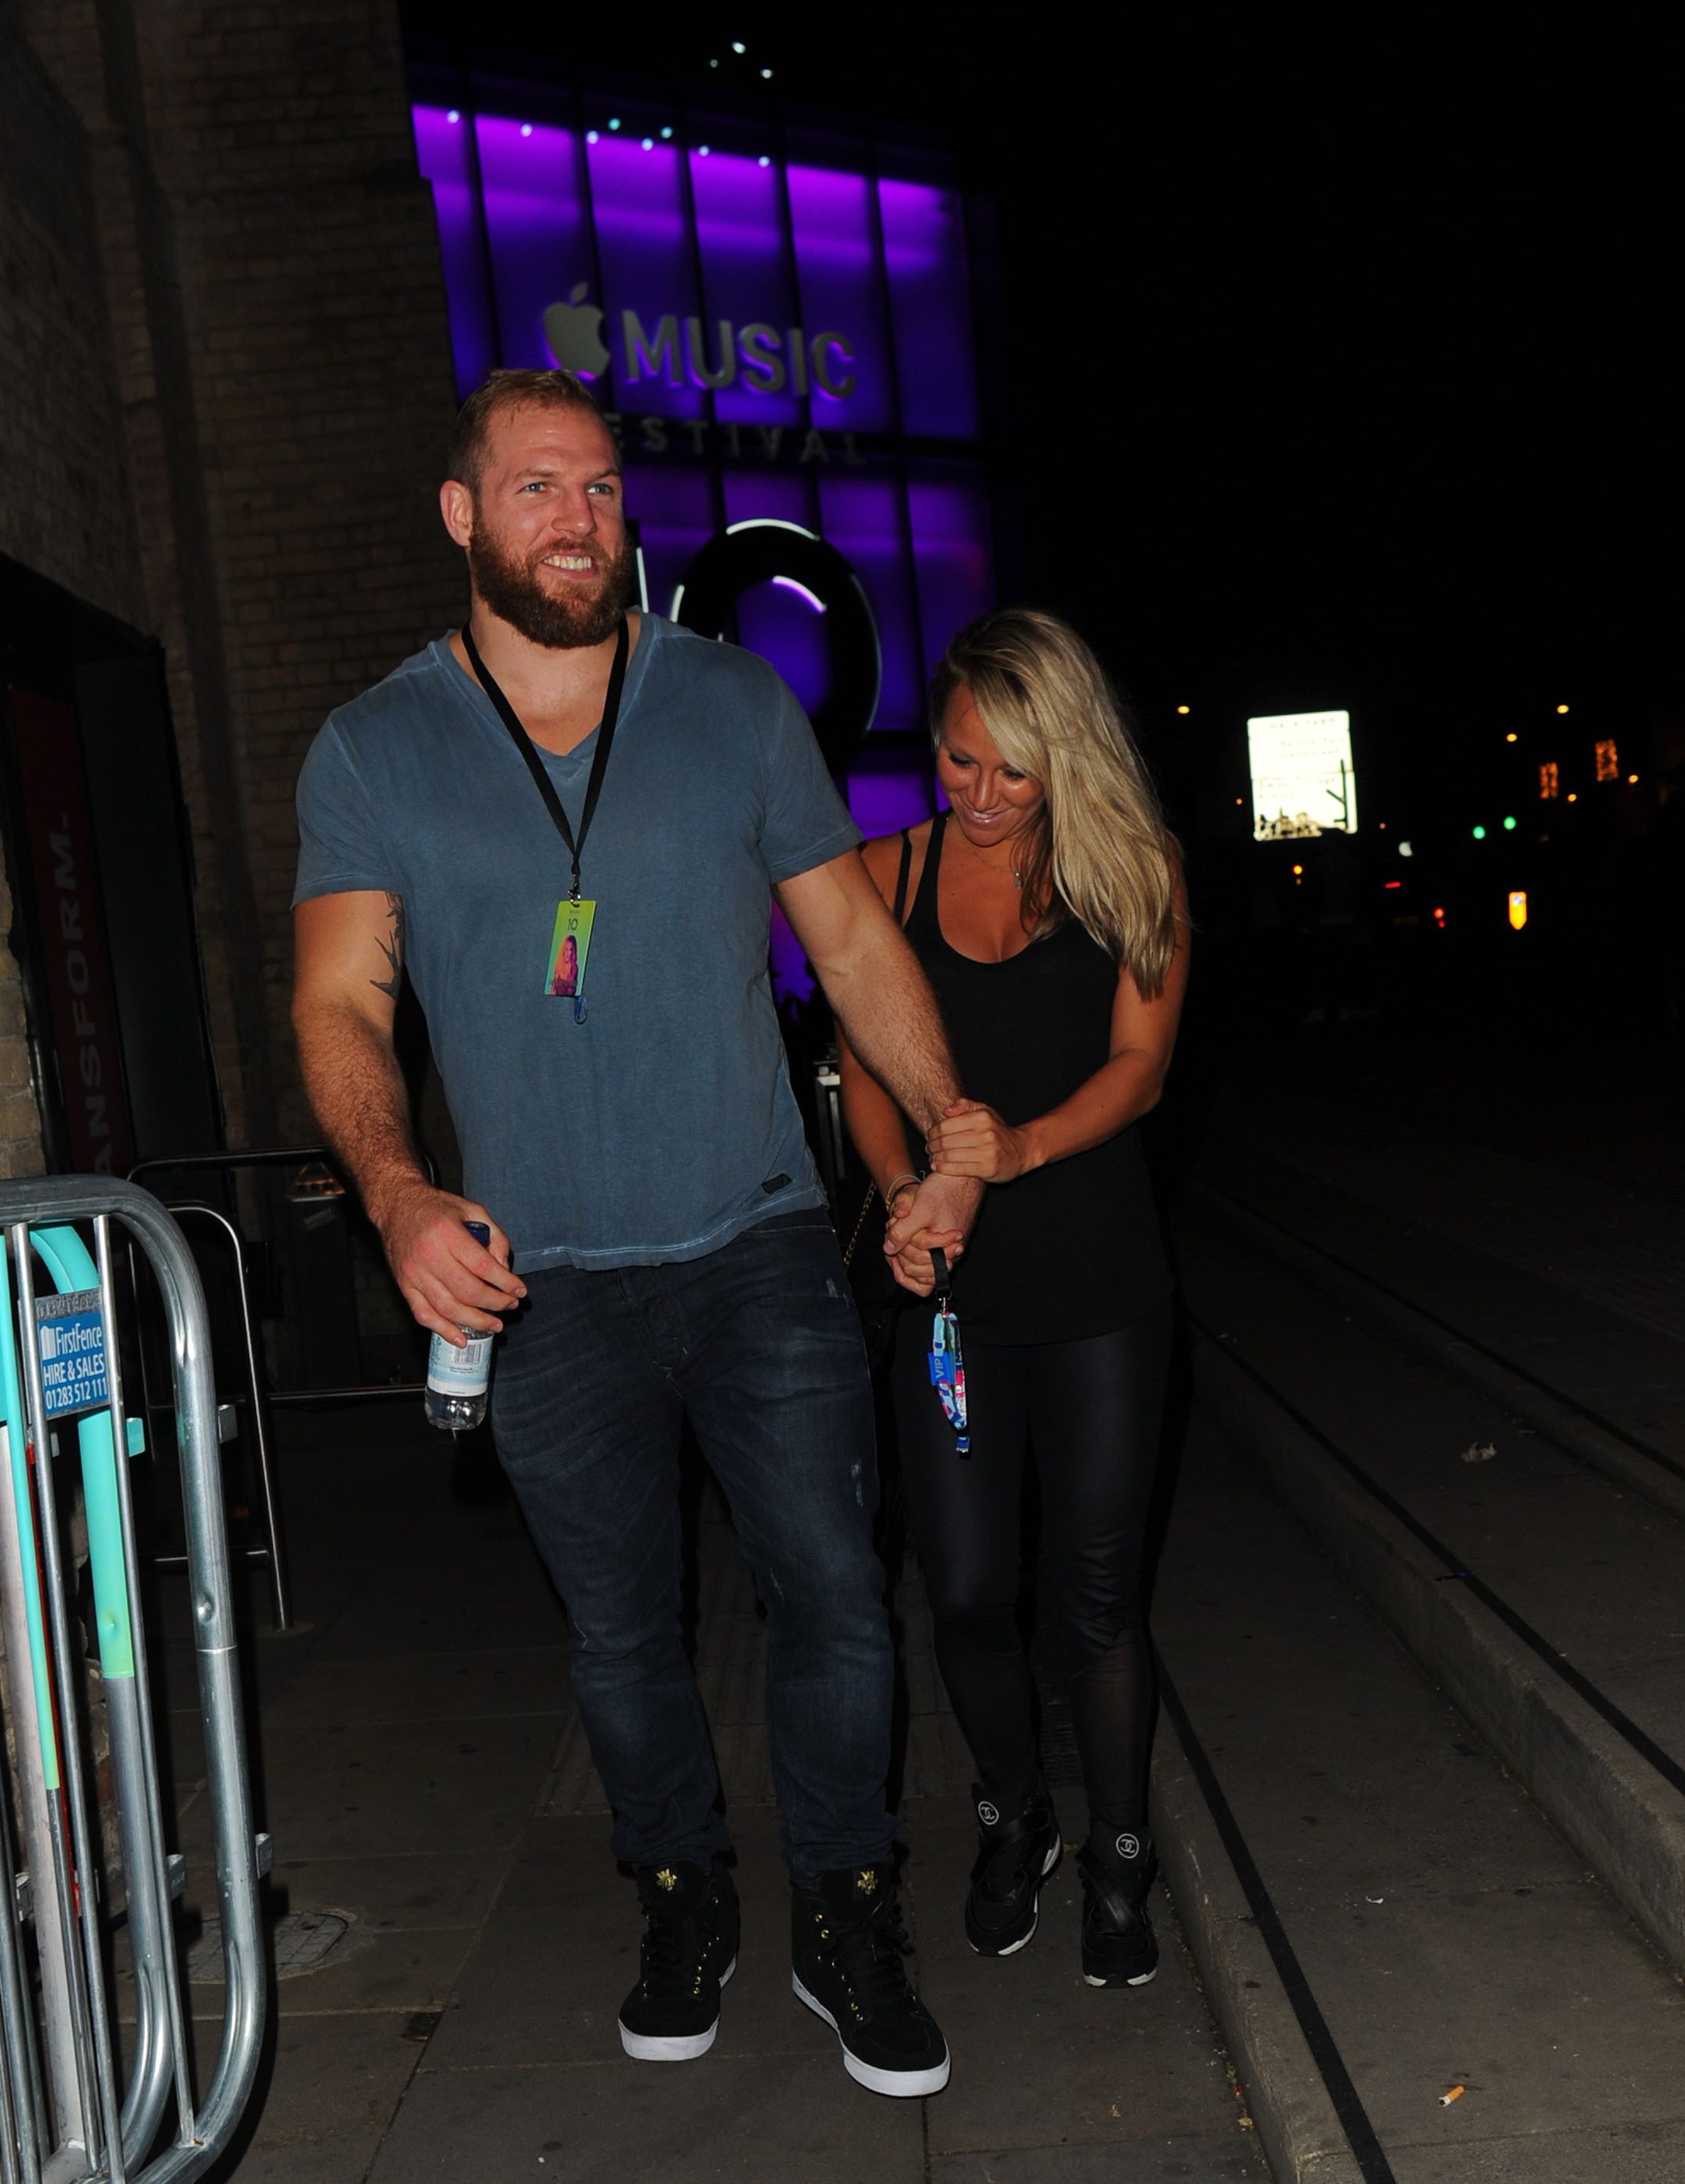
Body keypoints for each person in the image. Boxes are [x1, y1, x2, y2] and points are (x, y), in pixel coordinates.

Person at [291, 368, 983, 2096]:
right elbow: (341, 1000)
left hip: (757, 1240)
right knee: (619, 1636)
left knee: (836, 1596)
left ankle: (846, 1909)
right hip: (536, 1281)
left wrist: (948, 1136)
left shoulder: (732, 703)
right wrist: (396, 1193)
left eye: (598, 487)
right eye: (537, 487)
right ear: (463, 515)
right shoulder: (375, 746)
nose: (578, 519)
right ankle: (682, 1894)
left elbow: (852, 941)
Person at [839, 608, 1188, 1986]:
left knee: (1094, 1600)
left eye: (1012, 771)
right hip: (950, 1301)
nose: (978, 793)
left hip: (1101, 1284)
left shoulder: (1133, 868)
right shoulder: (885, 871)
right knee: (970, 1591)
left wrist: (1018, 1150)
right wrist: (903, 1193)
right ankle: (1015, 1812)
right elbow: (867, 1073)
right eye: (958, 758)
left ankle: (1120, 1854)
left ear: (1068, 756)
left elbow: (1142, 1068)